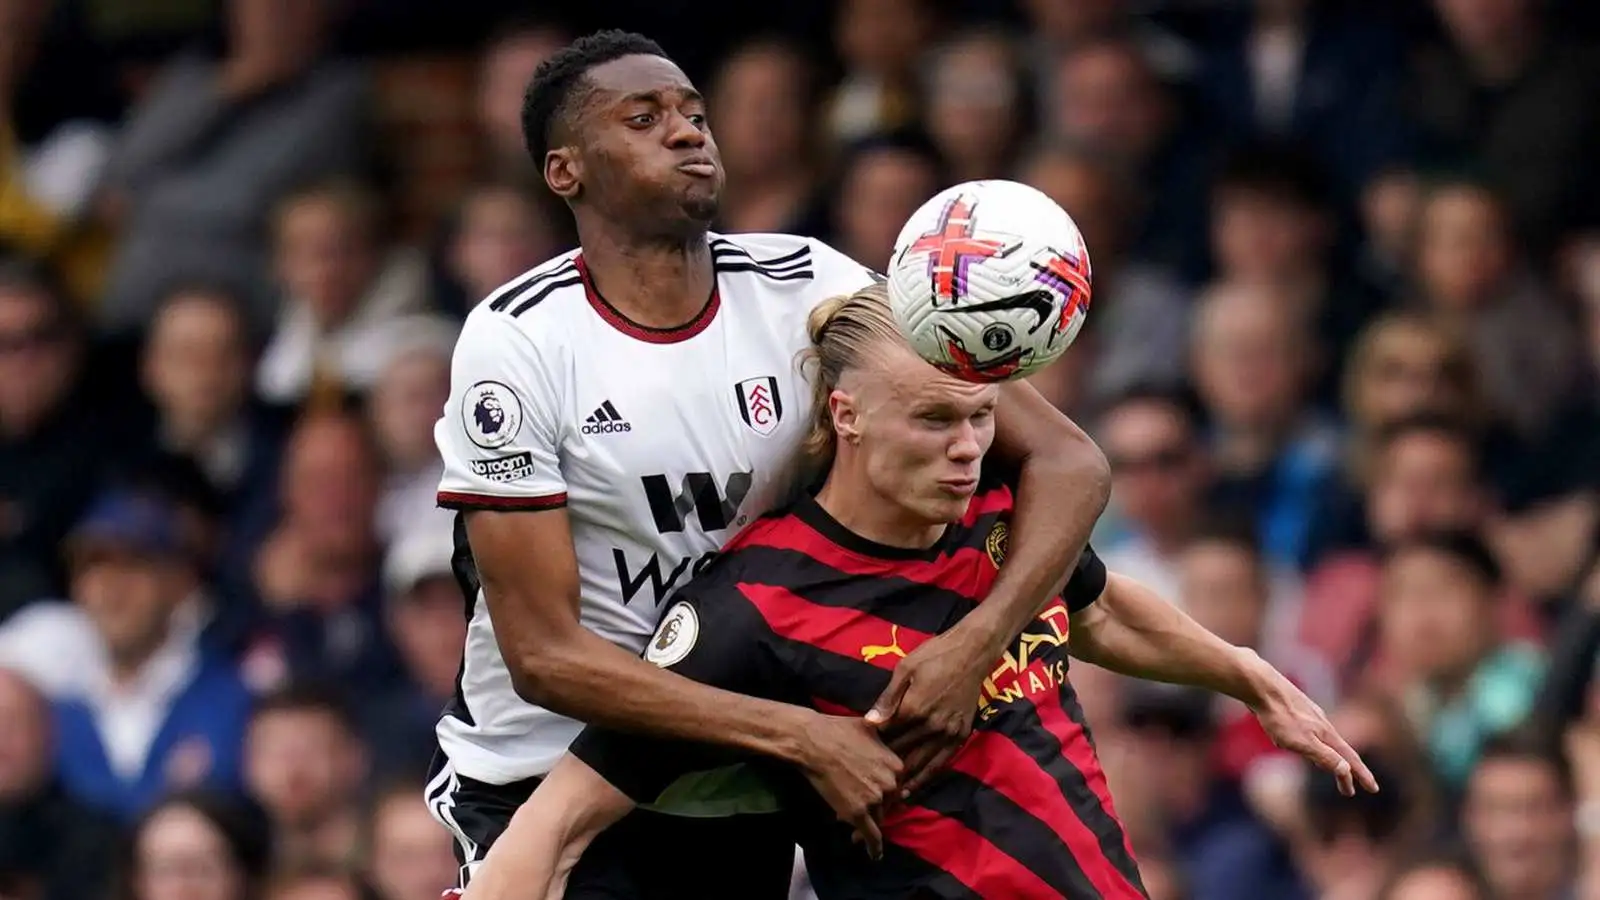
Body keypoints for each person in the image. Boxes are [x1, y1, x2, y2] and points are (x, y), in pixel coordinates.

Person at [429, 29, 1115, 898]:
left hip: (744, 795)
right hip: (544, 781)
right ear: (565, 172)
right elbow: (545, 658)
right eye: (643, 119)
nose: (686, 133)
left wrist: (975, 647)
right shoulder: (518, 340)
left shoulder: (810, 283)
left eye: (693, 113)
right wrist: (796, 733)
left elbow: (1068, 460)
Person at [461, 284, 1375, 900]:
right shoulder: (748, 608)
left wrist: (1247, 676)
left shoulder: (1003, 526)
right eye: (934, 418)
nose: (968, 447)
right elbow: (560, 820)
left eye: (980, 417)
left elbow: (1099, 610)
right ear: (845, 415)